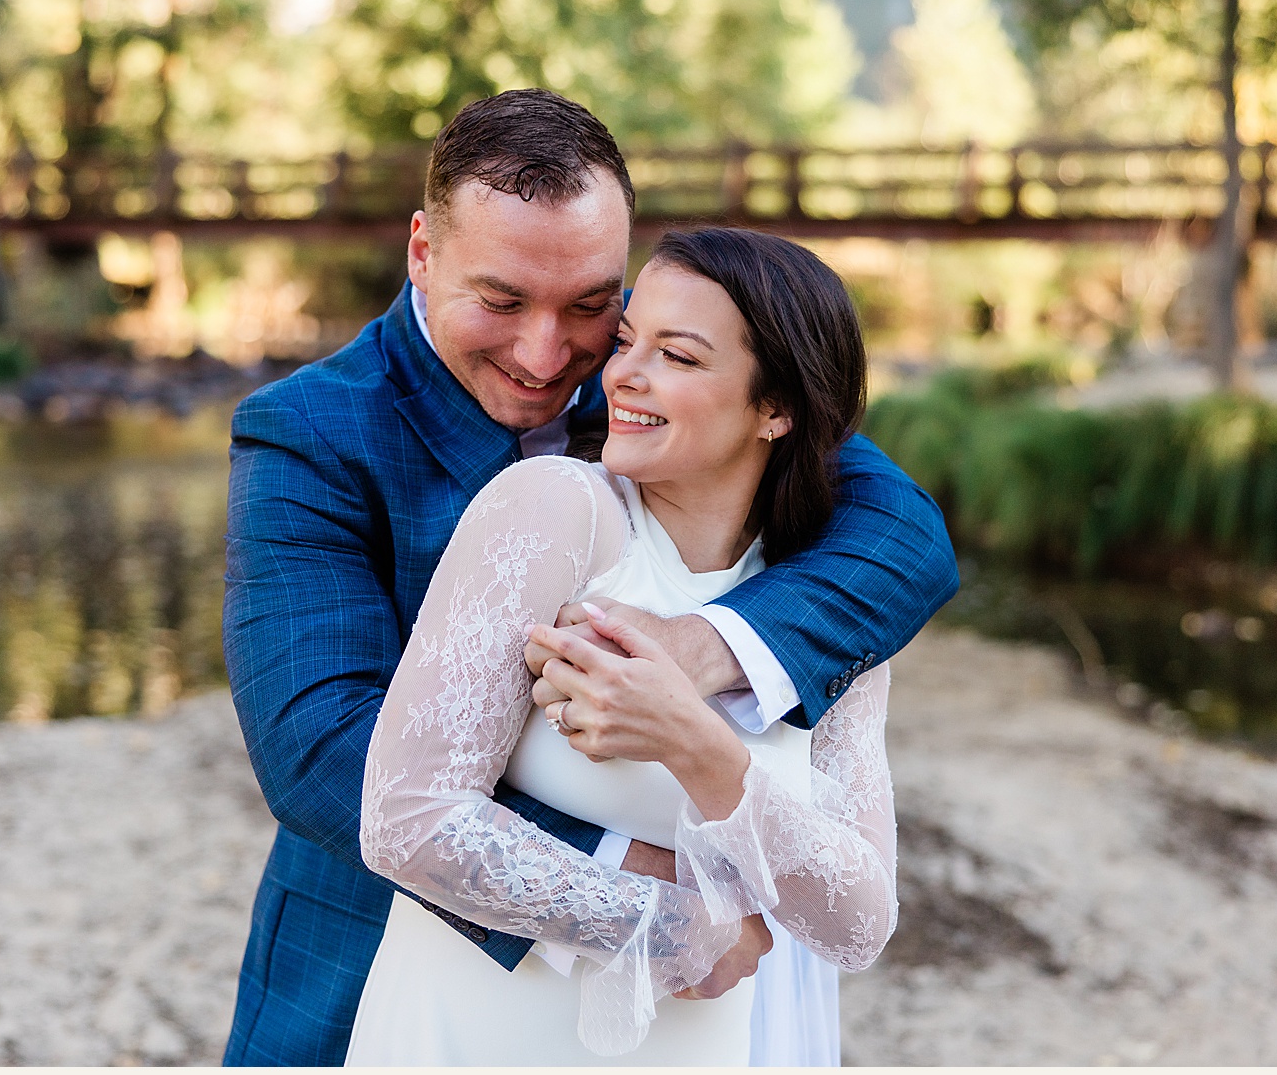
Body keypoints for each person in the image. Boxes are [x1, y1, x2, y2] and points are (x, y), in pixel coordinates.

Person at [220, 89, 957, 1066]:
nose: (546, 355)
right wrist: (636, 879)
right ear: (421, 253)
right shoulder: (309, 434)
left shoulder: (651, 388)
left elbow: (901, 533)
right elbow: (318, 749)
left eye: (586, 306)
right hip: (377, 961)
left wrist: (705, 652)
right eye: (500, 300)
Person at [348, 227, 899, 1064]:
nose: (623, 376)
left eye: (677, 356)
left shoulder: (830, 611)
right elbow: (406, 818)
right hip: (473, 1038)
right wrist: (668, 920)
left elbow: (860, 923)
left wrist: (698, 745)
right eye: (629, 341)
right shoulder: (556, 512)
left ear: (776, 408)